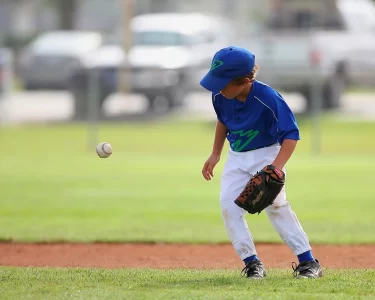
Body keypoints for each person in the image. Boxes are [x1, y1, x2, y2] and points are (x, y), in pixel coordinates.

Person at [200, 46, 323, 279]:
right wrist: (216, 153)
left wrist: (276, 167)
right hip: (236, 156)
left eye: (223, 82)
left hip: (267, 154)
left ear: (245, 80)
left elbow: (291, 134)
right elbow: (222, 121)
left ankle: (309, 262)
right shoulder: (220, 95)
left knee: (276, 206)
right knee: (228, 206)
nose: (217, 87)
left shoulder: (268, 97)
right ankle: (252, 263)